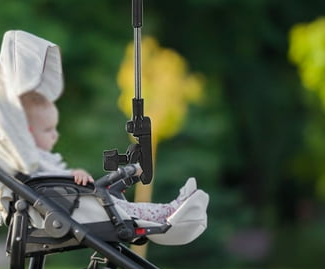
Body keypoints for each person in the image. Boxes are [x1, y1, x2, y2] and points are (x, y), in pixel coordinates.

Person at [19, 90, 197, 223]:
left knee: (122, 205)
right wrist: (73, 176)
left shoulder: (43, 159)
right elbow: (48, 183)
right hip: (73, 208)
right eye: (48, 130)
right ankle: (171, 212)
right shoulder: (29, 161)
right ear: (28, 132)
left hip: (77, 203)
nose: (55, 135)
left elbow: (53, 178)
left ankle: (171, 209)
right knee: (124, 208)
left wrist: (75, 173)